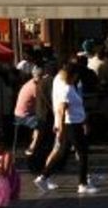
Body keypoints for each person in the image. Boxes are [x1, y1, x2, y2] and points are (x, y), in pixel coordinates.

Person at [38, 61, 95, 194]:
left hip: (73, 123)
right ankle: (82, 184)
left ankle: (43, 176)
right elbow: (61, 108)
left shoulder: (65, 84)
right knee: (82, 153)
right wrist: (60, 126)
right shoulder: (67, 89)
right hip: (72, 124)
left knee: (62, 152)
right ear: (73, 75)